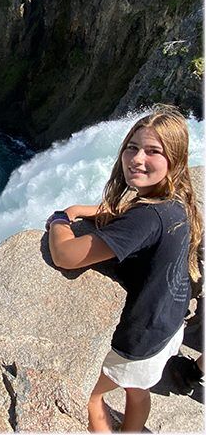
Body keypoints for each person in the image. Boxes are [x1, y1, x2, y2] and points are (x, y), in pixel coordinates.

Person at [46, 105, 203, 432]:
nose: (137, 158)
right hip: (168, 323)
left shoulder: (147, 216)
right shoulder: (175, 200)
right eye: (132, 147)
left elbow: (67, 256)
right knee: (137, 388)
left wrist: (60, 220)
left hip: (141, 336)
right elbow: (128, 213)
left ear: (173, 160)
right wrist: (84, 210)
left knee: (89, 395)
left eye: (152, 151)